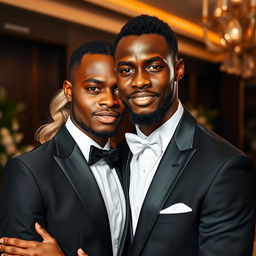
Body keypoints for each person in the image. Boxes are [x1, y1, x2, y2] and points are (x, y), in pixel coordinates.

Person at [1, 14, 256, 256]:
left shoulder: (225, 166)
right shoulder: (121, 154)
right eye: (126, 71)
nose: (139, 81)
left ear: (178, 69)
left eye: (154, 66)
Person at [0, 40, 128, 256]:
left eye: (117, 90)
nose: (109, 100)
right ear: (69, 91)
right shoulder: (28, 171)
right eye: (94, 89)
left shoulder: (132, 163)